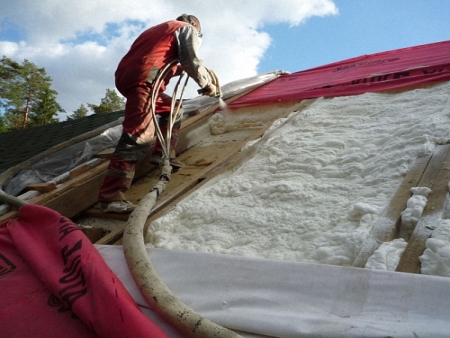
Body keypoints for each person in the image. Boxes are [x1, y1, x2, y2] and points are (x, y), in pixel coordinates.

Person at [98, 14, 219, 213]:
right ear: (195, 26)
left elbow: (162, 58)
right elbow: (191, 59)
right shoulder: (185, 29)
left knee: (173, 109)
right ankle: (111, 197)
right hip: (145, 79)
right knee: (139, 135)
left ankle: (163, 155)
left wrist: (181, 70)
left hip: (132, 76)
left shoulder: (161, 30)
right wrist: (207, 84)